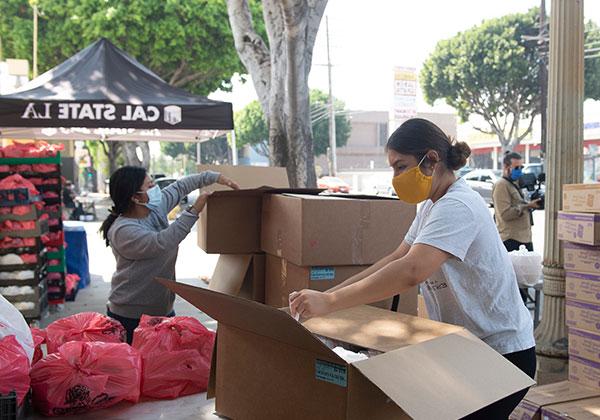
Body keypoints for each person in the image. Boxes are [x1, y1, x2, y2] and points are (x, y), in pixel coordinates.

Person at [290, 118, 535, 418]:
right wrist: (326, 297)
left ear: (431, 160)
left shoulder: (457, 205)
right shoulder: (431, 205)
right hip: (469, 348)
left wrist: (329, 302)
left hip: (502, 352)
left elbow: (411, 271)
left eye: (400, 166)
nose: (395, 177)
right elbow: (397, 257)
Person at [99, 166, 239, 343]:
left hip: (162, 309)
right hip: (130, 315)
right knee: (137, 367)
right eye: (149, 186)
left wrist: (216, 177)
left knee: (161, 367)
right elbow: (162, 242)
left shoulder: (153, 209)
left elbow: (180, 187)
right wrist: (194, 211)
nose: (155, 189)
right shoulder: (123, 230)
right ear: (135, 197)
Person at [493, 152, 540, 253]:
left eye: (521, 167)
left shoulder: (514, 184)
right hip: (511, 239)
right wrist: (527, 206)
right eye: (516, 168)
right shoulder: (501, 185)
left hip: (524, 238)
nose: (519, 171)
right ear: (506, 167)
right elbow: (505, 214)